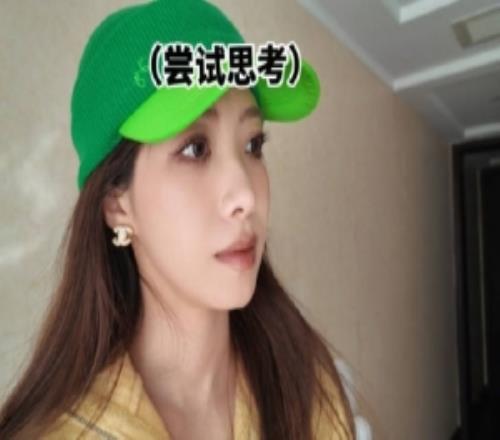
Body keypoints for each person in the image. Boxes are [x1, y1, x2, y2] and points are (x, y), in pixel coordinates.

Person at [0, 0, 358, 438]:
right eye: (195, 149)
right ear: (117, 204)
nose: (246, 196)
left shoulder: (306, 385)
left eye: (253, 145)